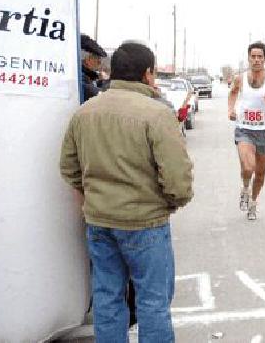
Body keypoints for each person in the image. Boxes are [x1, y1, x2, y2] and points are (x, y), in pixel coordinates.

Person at [59, 42, 194, 342]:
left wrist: (95, 198)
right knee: (153, 303)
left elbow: (68, 168)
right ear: (148, 74)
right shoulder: (157, 114)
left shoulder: (84, 113)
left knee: (107, 299)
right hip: (145, 224)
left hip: (99, 223)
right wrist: (171, 202)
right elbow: (178, 180)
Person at [228, 42, 265, 221]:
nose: (256, 60)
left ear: (264, 59)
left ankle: (253, 202)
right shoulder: (240, 78)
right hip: (244, 129)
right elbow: (232, 93)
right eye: (253, 56)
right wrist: (231, 110)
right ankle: (245, 187)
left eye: (259, 57)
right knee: (248, 167)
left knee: (260, 174)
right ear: (248, 58)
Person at [79, 34, 107, 103]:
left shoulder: (86, 77)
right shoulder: (80, 82)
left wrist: (100, 81)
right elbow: (103, 97)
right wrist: (105, 82)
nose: (100, 63)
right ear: (88, 60)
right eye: (97, 59)